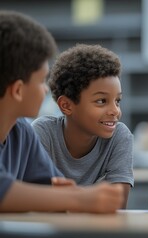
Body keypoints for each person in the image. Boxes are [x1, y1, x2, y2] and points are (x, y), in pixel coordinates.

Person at [0, 10, 123, 213]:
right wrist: (79, 199)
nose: (46, 89)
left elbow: (53, 186)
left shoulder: (22, 132)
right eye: (41, 81)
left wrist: (66, 195)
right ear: (18, 90)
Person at [32, 44, 134, 209]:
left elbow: (117, 202)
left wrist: (62, 196)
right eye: (101, 101)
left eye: (118, 101)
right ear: (66, 105)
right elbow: (37, 201)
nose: (115, 111)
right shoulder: (43, 133)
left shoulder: (120, 136)